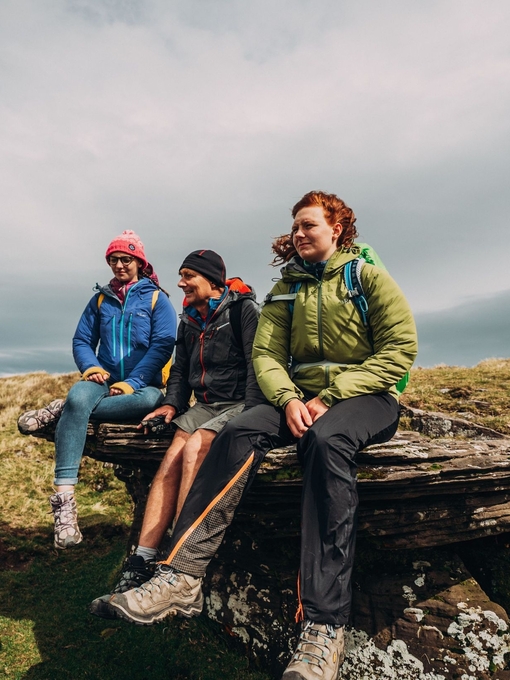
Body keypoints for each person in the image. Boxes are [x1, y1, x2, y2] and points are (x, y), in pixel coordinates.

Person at [106, 192, 418, 680]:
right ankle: (181, 576)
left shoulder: (367, 278)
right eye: (295, 226)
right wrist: (290, 399)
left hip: (367, 397)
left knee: (326, 442)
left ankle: (323, 625)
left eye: (309, 225)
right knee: (237, 430)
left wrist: (332, 396)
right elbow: (267, 357)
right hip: (299, 399)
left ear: (337, 228)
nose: (299, 233)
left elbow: (400, 350)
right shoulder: (285, 290)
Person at [89, 249, 263, 617]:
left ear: (212, 281)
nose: (180, 283)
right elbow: (180, 373)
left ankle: (175, 565)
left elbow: (256, 365)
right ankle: (141, 562)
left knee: (195, 446)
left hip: (239, 404)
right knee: (170, 460)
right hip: (203, 404)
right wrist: (171, 404)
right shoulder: (189, 320)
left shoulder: (243, 310)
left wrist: (251, 415)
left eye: (188, 276)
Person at [18, 230, 177, 549]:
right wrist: (91, 368)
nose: (119, 264)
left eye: (126, 258)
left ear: (139, 261)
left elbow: (163, 345)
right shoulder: (101, 299)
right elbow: (82, 340)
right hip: (100, 380)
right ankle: (64, 507)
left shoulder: (158, 299)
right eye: (113, 259)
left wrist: (131, 382)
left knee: (148, 400)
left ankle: (65, 410)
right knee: (79, 396)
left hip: (142, 386)